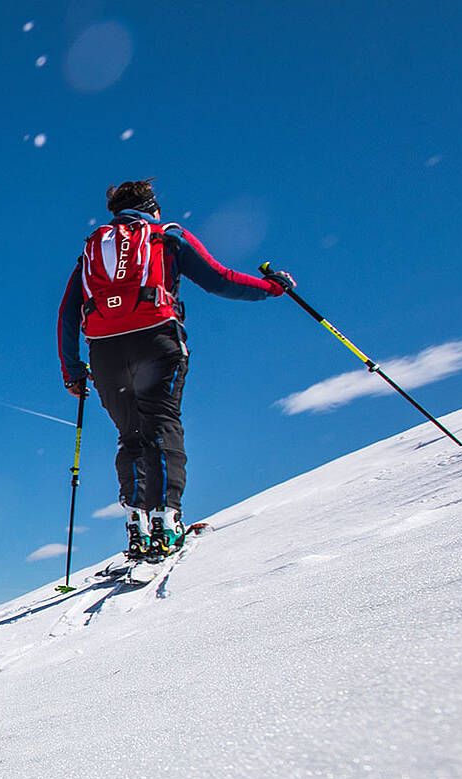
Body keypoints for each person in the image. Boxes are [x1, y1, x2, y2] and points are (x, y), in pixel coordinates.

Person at [57, 177, 293, 558]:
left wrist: (72, 370)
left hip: (104, 352)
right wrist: (272, 288)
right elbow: (219, 280)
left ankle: (136, 526)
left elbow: (67, 312)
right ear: (152, 206)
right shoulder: (164, 234)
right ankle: (166, 520)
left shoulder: (92, 250)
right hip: (157, 340)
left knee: (130, 433)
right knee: (162, 423)